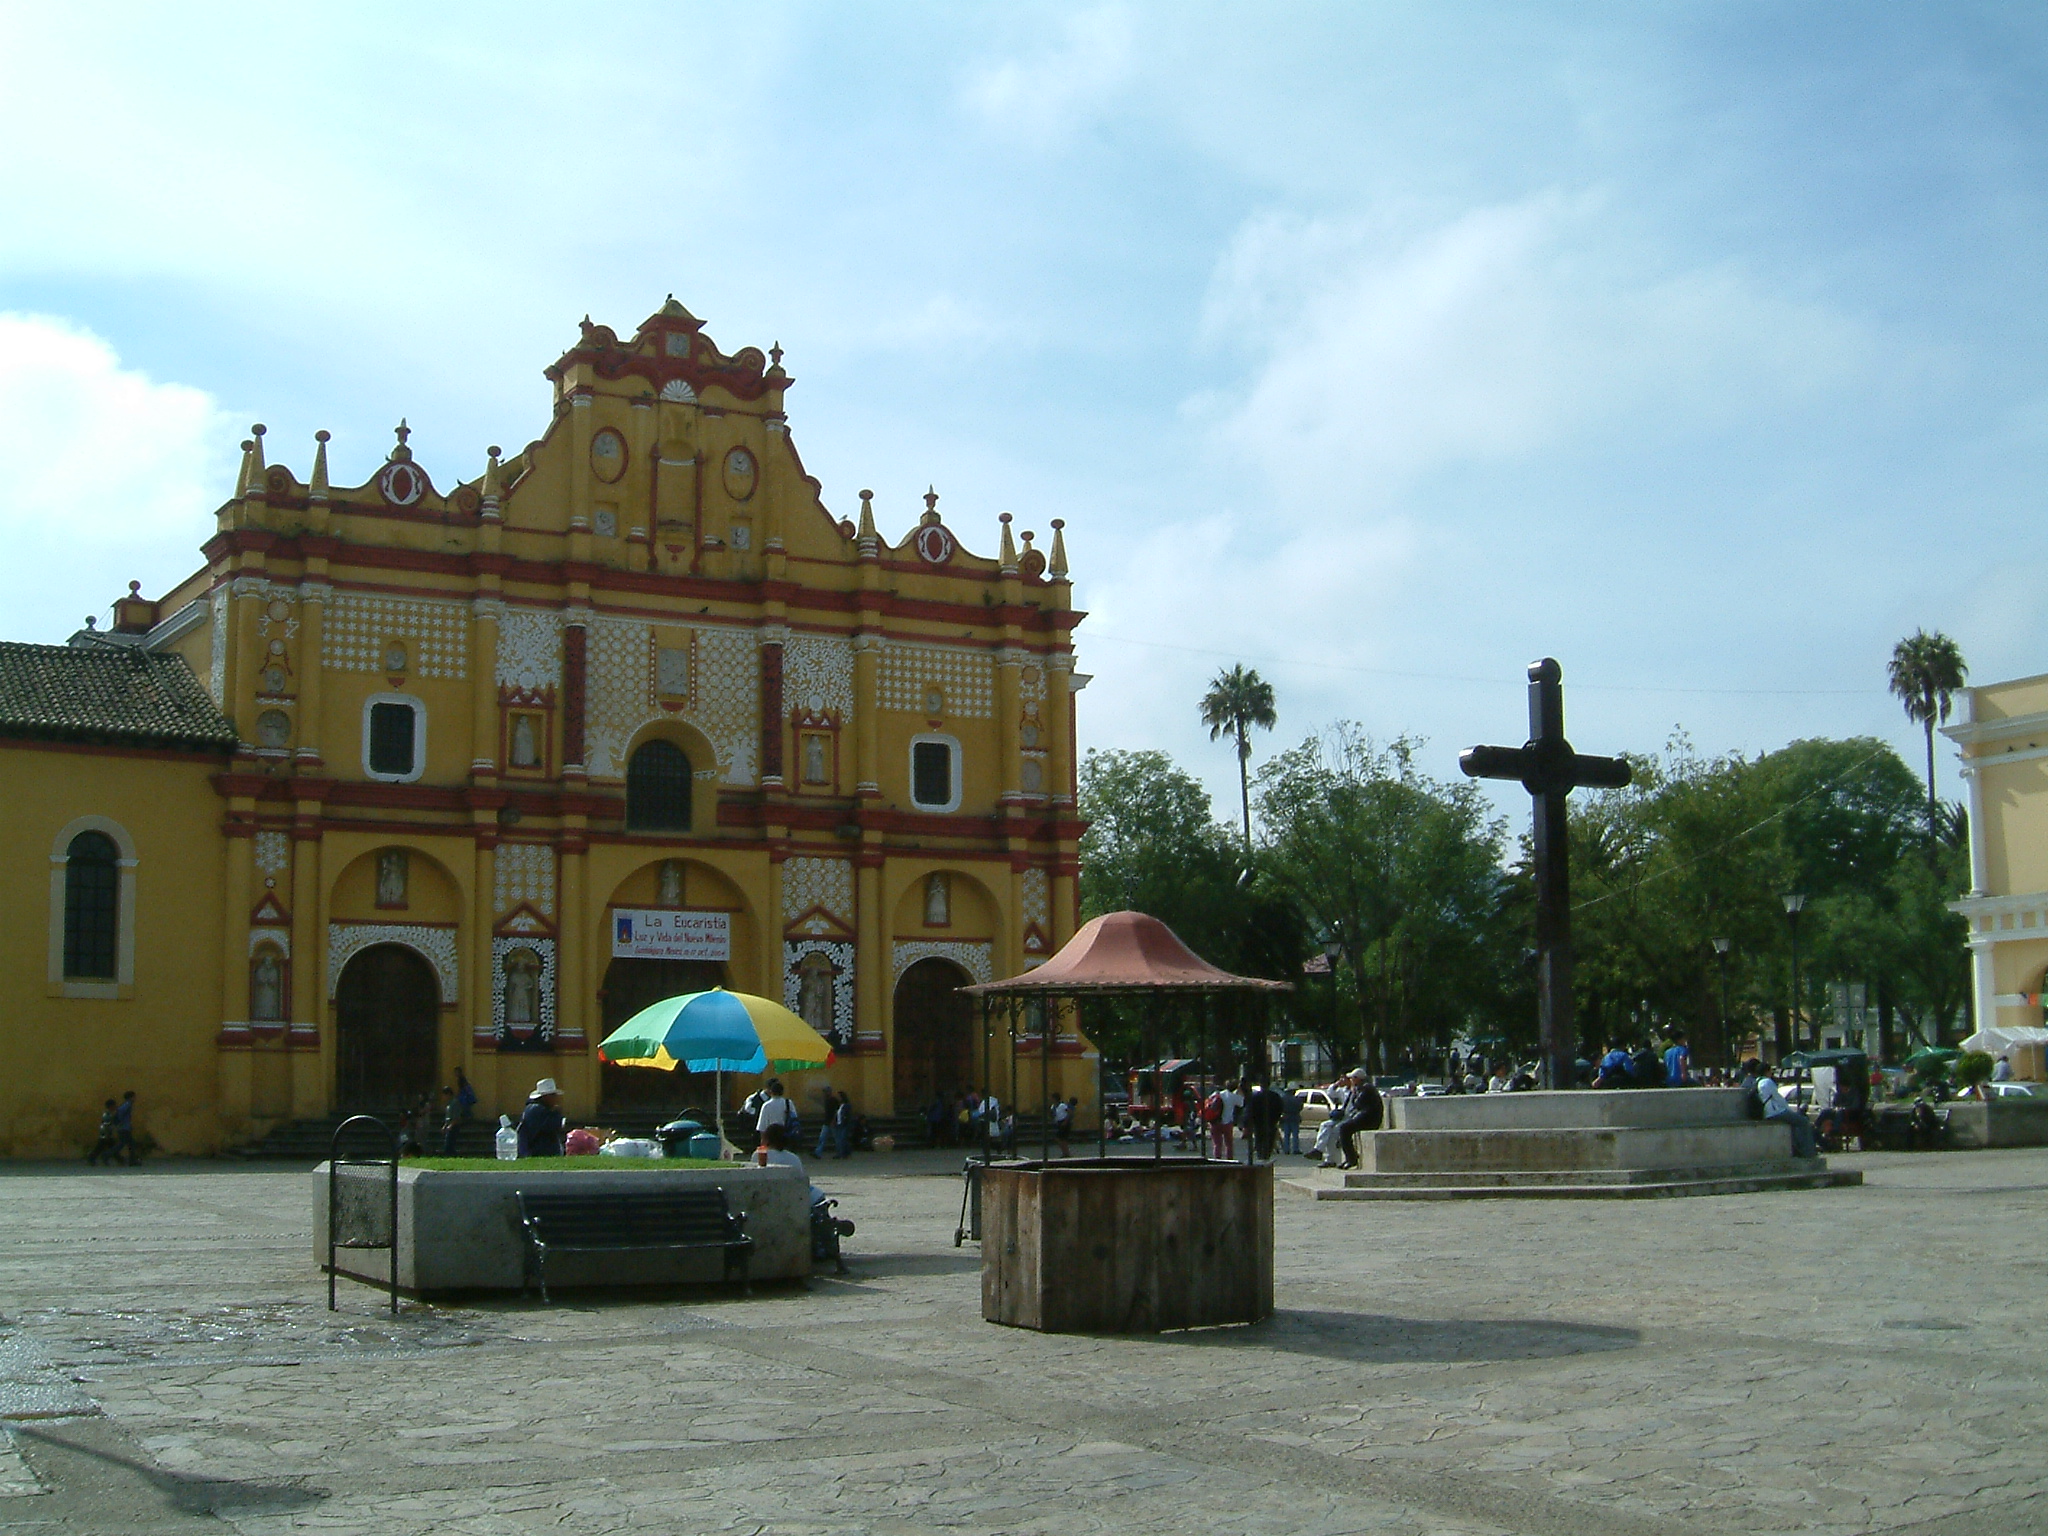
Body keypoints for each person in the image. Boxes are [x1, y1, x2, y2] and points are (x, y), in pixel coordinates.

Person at [1754, 1070, 1818, 1158]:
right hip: (1775, 1112)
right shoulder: (1767, 1082)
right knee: (1803, 1122)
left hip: (1766, 1112)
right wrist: (1789, 1111)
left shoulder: (1757, 1082)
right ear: (1767, 1072)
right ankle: (1808, 1152)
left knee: (1794, 1125)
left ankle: (1798, 1148)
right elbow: (1778, 1098)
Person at [1334, 1070, 1384, 1170]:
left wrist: (1354, 1093)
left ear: (1357, 1079)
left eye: (1352, 1078)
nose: (1351, 1080)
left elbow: (1358, 1104)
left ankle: (1352, 1158)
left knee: (1344, 1128)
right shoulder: (1364, 1087)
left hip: (1370, 1120)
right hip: (1365, 1118)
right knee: (1343, 1127)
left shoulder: (1366, 1088)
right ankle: (1350, 1157)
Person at [517, 1078, 566, 1157]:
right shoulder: (538, 1110)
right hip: (538, 1151)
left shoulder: (534, 1109)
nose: (556, 1098)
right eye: (552, 1095)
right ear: (544, 1097)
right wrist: (556, 1113)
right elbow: (554, 1125)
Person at [755, 1079, 795, 1148]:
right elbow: (794, 1118)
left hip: (771, 1137)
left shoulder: (766, 1105)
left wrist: (763, 1143)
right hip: (785, 1134)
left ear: (771, 1092)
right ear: (782, 1092)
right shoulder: (788, 1103)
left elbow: (762, 1126)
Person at [87, 1099, 120, 1165]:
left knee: (103, 1148)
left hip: (106, 1134)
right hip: (105, 1135)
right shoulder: (107, 1115)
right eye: (114, 1106)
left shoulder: (108, 1114)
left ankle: (116, 1159)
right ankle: (118, 1159)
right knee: (106, 1148)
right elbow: (106, 1125)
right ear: (111, 1106)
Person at [112, 1090, 137, 1166]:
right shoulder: (127, 1105)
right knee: (124, 1144)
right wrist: (122, 1123)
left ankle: (133, 1161)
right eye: (134, 1097)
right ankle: (107, 1154)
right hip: (124, 1128)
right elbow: (121, 1113)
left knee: (129, 1145)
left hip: (124, 1128)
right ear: (130, 1097)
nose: (135, 1098)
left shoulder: (127, 1105)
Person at [438, 1086, 461, 1156]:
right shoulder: (448, 1104)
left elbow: (456, 1116)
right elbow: (448, 1117)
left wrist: (451, 1125)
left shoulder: (455, 1103)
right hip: (449, 1125)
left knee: (450, 1145)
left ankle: (452, 1155)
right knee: (448, 1144)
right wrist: (445, 1126)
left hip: (454, 1126)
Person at [1280, 1086, 1303, 1156]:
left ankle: (1286, 1149)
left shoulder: (1283, 1099)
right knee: (1295, 1134)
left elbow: (1280, 1107)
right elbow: (1300, 1107)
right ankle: (1295, 1149)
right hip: (1295, 1117)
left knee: (1286, 1135)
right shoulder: (1297, 1099)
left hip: (1286, 1117)